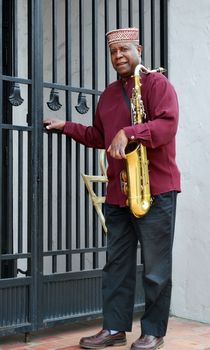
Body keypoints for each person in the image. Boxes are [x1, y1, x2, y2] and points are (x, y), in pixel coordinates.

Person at [44, 27, 181, 350]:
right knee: (116, 266)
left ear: (139, 50)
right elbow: (98, 136)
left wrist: (131, 132)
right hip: (119, 194)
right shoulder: (107, 94)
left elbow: (168, 123)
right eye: (113, 53)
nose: (119, 57)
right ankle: (114, 329)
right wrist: (67, 127)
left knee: (156, 268)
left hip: (156, 191)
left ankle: (153, 332)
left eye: (124, 50)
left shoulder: (156, 84)